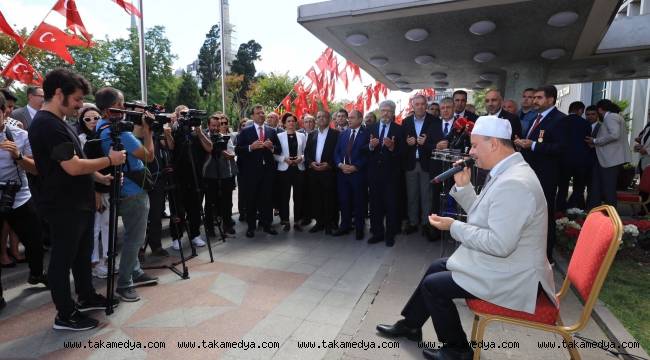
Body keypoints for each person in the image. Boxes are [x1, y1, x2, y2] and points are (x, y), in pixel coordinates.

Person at [376, 116, 556, 360]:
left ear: (493, 144)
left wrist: (454, 227)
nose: (470, 152)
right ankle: (411, 325)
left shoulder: (515, 183)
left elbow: (499, 244)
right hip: (508, 265)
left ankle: (458, 351)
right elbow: (487, 218)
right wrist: (463, 187)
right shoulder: (508, 171)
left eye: (474, 145)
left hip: (515, 276)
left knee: (434, 286)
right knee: (437, 266)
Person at [29, 68, 125, 330]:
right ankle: (65, 314)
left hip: (76, 204)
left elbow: (75, 162)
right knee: (62, 262)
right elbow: (71, 167)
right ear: (59, 94)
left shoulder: (59, 123)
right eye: (78, 98)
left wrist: (101, 178)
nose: (81, 105)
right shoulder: (48, 125)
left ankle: (85, 296)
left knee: (82, 256)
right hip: (64, 206)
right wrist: (110, 161)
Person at [94, 88, 160, 302]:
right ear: (110, 109)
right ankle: (125, 284)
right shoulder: (121, 133)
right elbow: (149, 156)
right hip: (133, 192)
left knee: (132, 234)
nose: (126, 110)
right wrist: (148, 131)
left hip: (120, 189)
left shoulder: (100, 127)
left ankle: (135, 271)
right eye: (122, 106)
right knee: (135, 238)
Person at [0, 91, 48, 310]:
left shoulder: (20, 136)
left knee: (35, 242)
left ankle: (37, 274)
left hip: (19, 197)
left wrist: (18, 156)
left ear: (4, 113)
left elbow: (37, 169)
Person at [514, 85, 570, 265]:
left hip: (546, 176)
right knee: (529, 214)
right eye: (533, 98)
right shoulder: (535, 119)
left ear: (551, 100)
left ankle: (546, 257)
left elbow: (562, 147)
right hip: (529, 175)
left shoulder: (560, 120)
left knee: (545, 216)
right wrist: (522, 143)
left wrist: (534, 145)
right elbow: (532, 143)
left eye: (538, 98)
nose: (534, 101)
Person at [76, 106, 114, 279]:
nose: (92, 122)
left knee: (108, 226)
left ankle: (108, 259)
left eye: (96, 118)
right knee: (95, 227)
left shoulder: (105, 136)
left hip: (108, 187)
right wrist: (95, 191)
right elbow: (84, 168)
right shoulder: (81, 140)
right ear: (81, 121)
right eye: (87, 119)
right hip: (91, 190)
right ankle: (94, 263)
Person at [168, 105, 213, 248]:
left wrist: (199, 131)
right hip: (178, 176)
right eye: (182, 114)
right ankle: (177, 237)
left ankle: (195, 234)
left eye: (187, 114)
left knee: (195, 208)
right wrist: (169, 130)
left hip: (195, 176)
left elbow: (209, 148)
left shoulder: (196, 133)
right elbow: (170, 147)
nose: (185, 117)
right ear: (176, 116)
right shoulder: (173, 132)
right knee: (177, 208)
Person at [235, 104, 281, 238]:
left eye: (263, 112)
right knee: (251, 199)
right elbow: (238, 149)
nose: (261, 115)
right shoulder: (246, 131)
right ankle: (250, 226)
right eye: (258, 113)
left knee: (267, 198)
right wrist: (250, 147)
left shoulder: (271, 131)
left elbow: (278, 149)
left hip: (268, 171)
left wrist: (272, 147)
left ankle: (267, 224)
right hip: (251, 172)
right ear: (253, 116)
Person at [363, 102, 403, 246]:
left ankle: (390, 234)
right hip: (374, 175)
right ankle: (377, 233)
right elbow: (362, 148)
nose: (386, 113)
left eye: (389, 111)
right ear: (379, 112)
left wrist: (392, 147)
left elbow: (403, 151)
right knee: (375, 206)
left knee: (391, 205)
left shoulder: (399, 130)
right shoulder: (370, 128)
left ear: (393, 113)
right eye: (383, 110)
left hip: (391, 175)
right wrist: (370, 146)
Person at [402, 95, 438, 240]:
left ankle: (426, 224)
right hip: (411, 164)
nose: (420, 106)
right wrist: (406, 142)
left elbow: (437, 141)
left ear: (426, 105)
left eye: (423, 104)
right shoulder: (406, 122)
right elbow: (400, 143)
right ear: (413, 106)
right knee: (412, 196)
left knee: (427, 197)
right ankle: (412, 222)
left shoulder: (435, 121)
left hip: (427, 164)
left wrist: (426, 141)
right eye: (417, 104)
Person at [586, 99, 631, 210]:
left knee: (608, 189)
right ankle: (594, 213)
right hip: (605, 159)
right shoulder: (614, 117)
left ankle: (610, 217)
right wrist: (595, 144)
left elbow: (614, 135)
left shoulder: (612, 117)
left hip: (610, 160)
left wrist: (596, 141)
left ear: (600, 109)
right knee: (596, 187)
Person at [304, 110, 340, 235]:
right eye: (319, 117)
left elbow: (337, 152)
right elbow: (307, 151)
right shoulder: (312, 134)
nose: (321, 119)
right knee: (316, 198)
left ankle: (329, 223)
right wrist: (311, 163)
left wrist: (329, 164)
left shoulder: (336, 134)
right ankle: (319, 222)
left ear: (329, 119)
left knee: (329, 199)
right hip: (314, 172)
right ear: (316, 120)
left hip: (328, 172)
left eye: (324, 117)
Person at [333, 109, 367, 239]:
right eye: (349, 118)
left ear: (360, 119)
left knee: (358, 202)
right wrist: (341, 165)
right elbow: (336, 152)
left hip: (357, 174)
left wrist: (355, 167)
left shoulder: (366, 134)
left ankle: (359, 228)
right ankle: (345, 227)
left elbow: (367, 155)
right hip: (342, 174)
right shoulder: (343, 134)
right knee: (344, 202)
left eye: (352, 118)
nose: (349, 120)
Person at [556, 101, 593, 211]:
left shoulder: (561, 121)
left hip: (564, 158)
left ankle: (560, 210)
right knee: (579, 187)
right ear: (581, 110)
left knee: (563, 187)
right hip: (581, 159)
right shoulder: (586, 123)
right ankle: (570, 207)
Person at [204, 114, 237, 235]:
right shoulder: (204, 138)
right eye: (213, 126)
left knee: (227, 201)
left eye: (218, 126)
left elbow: (231, 157)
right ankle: (209, 227)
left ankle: (227, 224)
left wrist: (221, 148)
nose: (216, 128)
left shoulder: (225, 137)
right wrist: (210, 148)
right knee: (209, 202)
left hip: (224, 174)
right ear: (208, 125)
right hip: (209, 174)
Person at [275, 113, 307, 232]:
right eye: (288, 121)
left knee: (298, 196)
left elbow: (306, 152)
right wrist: (284, 159)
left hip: (299, 169)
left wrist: (301, 158)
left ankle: (297, 221)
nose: (291, 123)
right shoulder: (278, 136)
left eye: (293, 121)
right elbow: (274, 154)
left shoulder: (302, 136)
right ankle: (286, 221)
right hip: (284, 169)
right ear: (284, 123)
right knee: (284, 196)